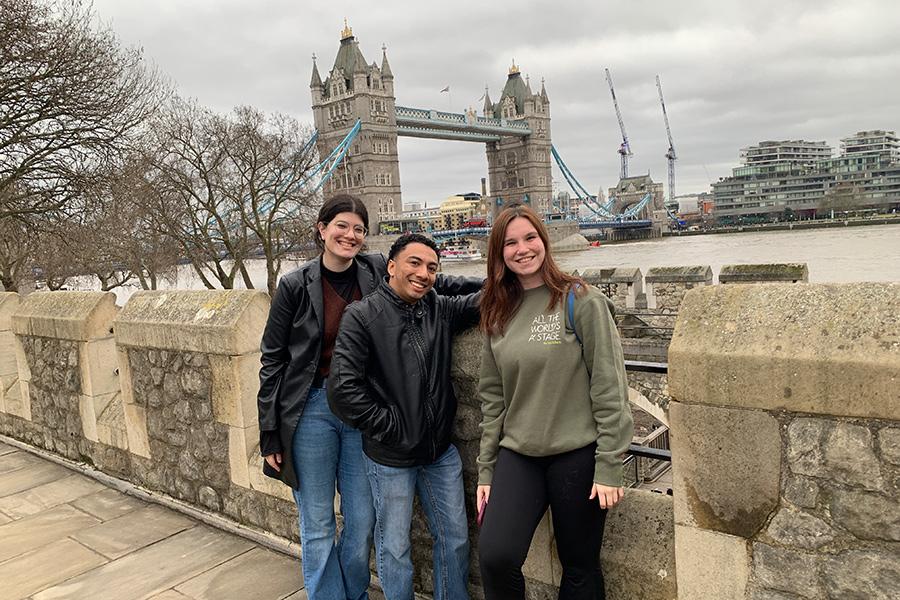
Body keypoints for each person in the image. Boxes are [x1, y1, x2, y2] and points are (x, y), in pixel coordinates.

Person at [257, 196, 479, 600]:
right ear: (322, 229)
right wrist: (270, 432)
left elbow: (435, 285)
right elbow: (272, 359)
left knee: (361, 519)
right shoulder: (294, 285)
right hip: (311, 407)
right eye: (342, 225)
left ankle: (355, 590)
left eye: (359, 229)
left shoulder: (376, 267)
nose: (351, 235)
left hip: (365, 407)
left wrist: (503, 279)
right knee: (319, 521)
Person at [476, 205, 633, 600]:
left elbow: (609, 384)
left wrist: (610, 464)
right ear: (499, 254)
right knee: (495, 556)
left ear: (544, 242)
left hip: (577, 453)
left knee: (579, 565)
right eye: (510, 243)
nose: (522, 249)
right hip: (518, 454)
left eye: (530, 238)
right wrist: (486, 471)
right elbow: (493, 398)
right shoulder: (497, 311)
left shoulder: (580, 299)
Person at [328, 233, 480, 600]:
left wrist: (521, 276)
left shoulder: (440, 310)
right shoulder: (362, 315)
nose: (424, 273)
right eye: (414, 263)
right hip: (390, 456)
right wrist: (392, 426)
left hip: (440, 453)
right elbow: (342, 390)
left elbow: (491, 298)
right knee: (395, 549)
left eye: (432, 268)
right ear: (391, 266)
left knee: (455, 540)